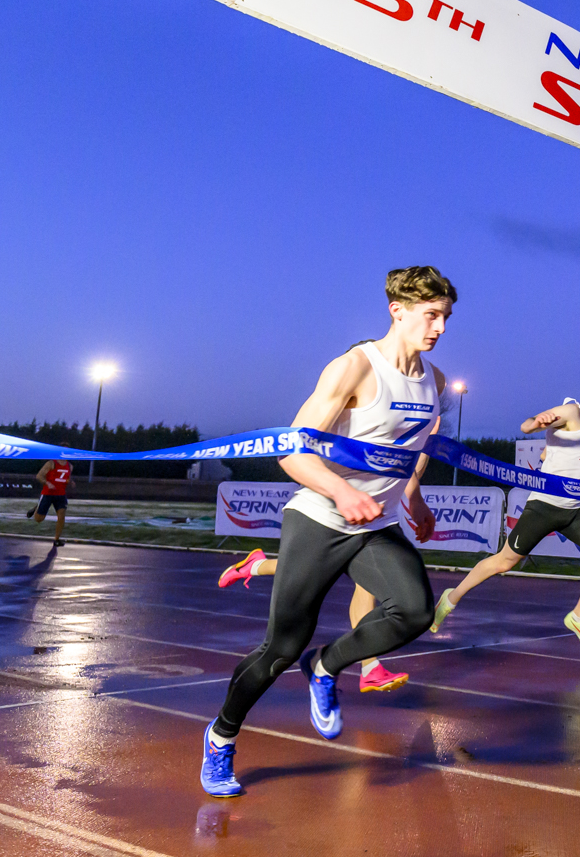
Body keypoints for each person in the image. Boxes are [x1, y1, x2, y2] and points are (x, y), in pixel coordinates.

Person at [200, 265, 452, 797]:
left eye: (446, 316)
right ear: (397, 310)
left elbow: (411, 449)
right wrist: (341, 492)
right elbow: (291, 452)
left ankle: (326, 665)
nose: (440, 328)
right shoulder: (355, 367)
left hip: (376, 522)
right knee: (280, 649)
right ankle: (221, 738)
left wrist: (414, 497)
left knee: (414, 612)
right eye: (431, 315)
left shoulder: (436, 381)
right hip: (321, 516)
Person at [215, 417, 442, 694]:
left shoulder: (412, 420)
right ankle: (366, 666)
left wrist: (424, 445)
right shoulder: (374, 413)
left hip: (373, 521)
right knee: (308, 574)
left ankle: (368, 667)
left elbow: (408, 470)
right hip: (335, 514)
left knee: (366, 588)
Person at [430, 376, 580, 653]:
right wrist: (535, 424)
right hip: (544, 507)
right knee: (503, 562)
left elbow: (547, 454)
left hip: (574, 508)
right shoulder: (572, 411)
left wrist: (550, 451)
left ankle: (579, 617)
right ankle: (451, 598)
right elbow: (528, 424)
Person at [26, 458, 72, 547]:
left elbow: (67, 478)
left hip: (61, 495)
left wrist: (70, 482)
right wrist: (47, 483)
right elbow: (39, 476)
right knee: (39, 519)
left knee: (61, 516)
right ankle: (36, 508)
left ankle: (57, 539)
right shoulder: (51, 463)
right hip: (48, 494)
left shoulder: (70, 466)